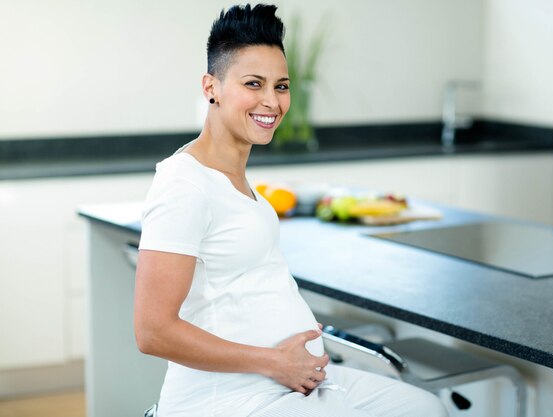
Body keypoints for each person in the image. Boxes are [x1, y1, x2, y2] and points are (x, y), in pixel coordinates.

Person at [134, 4, 448, 417]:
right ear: (211, 87)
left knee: (424, 409)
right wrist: (273, 361)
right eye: (253, 83)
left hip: (293, 383)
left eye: (281, 86)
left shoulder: (238, 181)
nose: (272, 101)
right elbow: (152, 332)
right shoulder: (184, 185)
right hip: (234, 399)